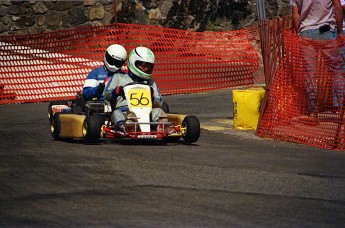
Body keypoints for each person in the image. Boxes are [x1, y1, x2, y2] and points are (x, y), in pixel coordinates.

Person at [103, 46, 168, 131]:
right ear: (133, 62)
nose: (146, 68)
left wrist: (152, 97)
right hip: (124, 110)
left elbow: (159, 102)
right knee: (116, 113)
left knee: (158, 111)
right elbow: (106, 94)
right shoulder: (118, 77)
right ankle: (127, 126)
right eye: (143, 65)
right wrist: (117, 91)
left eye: (149, 66)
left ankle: (160, 126)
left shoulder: (151, 83)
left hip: (147, 112)